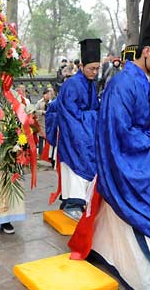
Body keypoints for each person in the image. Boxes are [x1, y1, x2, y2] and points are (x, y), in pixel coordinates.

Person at [69, 9, 150, 289]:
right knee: (138, 228)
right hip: (124, 163)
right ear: (147, 51)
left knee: (112, 226)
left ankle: (106, 255)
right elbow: (120, 134)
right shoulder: (124, 82)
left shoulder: (139, 80)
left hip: (130, 161)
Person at [46, 38, 101, 221]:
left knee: (84, 164)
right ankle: (73, 203)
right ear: (82, 65)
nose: (94, 72)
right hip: (73, 132)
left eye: (97, 68)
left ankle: (74, 201)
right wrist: (93, 118)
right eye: (91, 68)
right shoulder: (72, 84)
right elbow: (70, 113)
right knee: (77, 163)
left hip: (85, 130)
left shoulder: (91, 84)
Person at [35, 89, 52, 154]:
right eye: (46, 94)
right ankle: (40, 153)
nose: (48, 96)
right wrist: (42, 112)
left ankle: (47, 155)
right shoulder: (39, 102)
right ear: (43, 95)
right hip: (41, 122)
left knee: (48, 140)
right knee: (41, 139)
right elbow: (35, 111)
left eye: (49, 94)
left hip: (49, 123)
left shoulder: (51, 103)